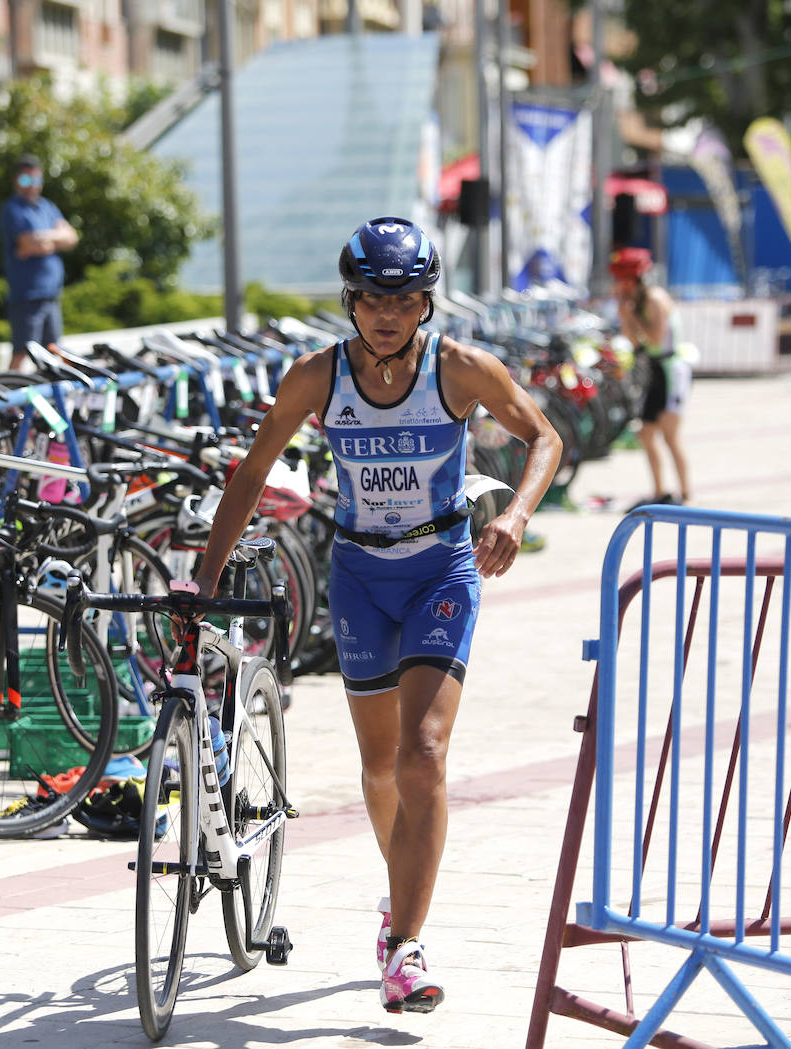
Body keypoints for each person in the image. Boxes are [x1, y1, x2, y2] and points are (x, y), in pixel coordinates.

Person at [187, 217, 561, 1014]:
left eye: (404, 299)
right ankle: (401, 896)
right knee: (383, 765)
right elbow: (254, 471)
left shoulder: (461, 369)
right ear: (351, 301)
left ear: (425, 303)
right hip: (358, 573)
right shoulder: (316, 378)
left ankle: (406, 945)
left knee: (424, 751)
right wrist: (204, 575)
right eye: (371, 299)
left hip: (441, 568)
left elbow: (545, 438)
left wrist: (517, 515)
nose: (387, 314)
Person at [611, 247, 692, 508]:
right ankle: (659, 491)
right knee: (646, 433)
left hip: (670, 370)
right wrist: (625, 317)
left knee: (670, 434)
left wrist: (631, 315)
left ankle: (685, 494)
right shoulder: (636, 301)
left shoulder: (655, 298)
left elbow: (655, 338)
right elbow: (634, 341)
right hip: (654, 371)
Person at [0, 154, 78, 371]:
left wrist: (45, 239)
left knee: (51, 351)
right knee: (22, 351)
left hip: (50, 294)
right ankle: (7, 400)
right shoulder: (12, 209)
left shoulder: (47, 206)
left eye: (36, 180)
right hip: (27, 295)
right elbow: (28, 244)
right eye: (26, 180)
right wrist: (55, 237)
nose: (32, 186)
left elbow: (71, 237)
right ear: (16, 181)